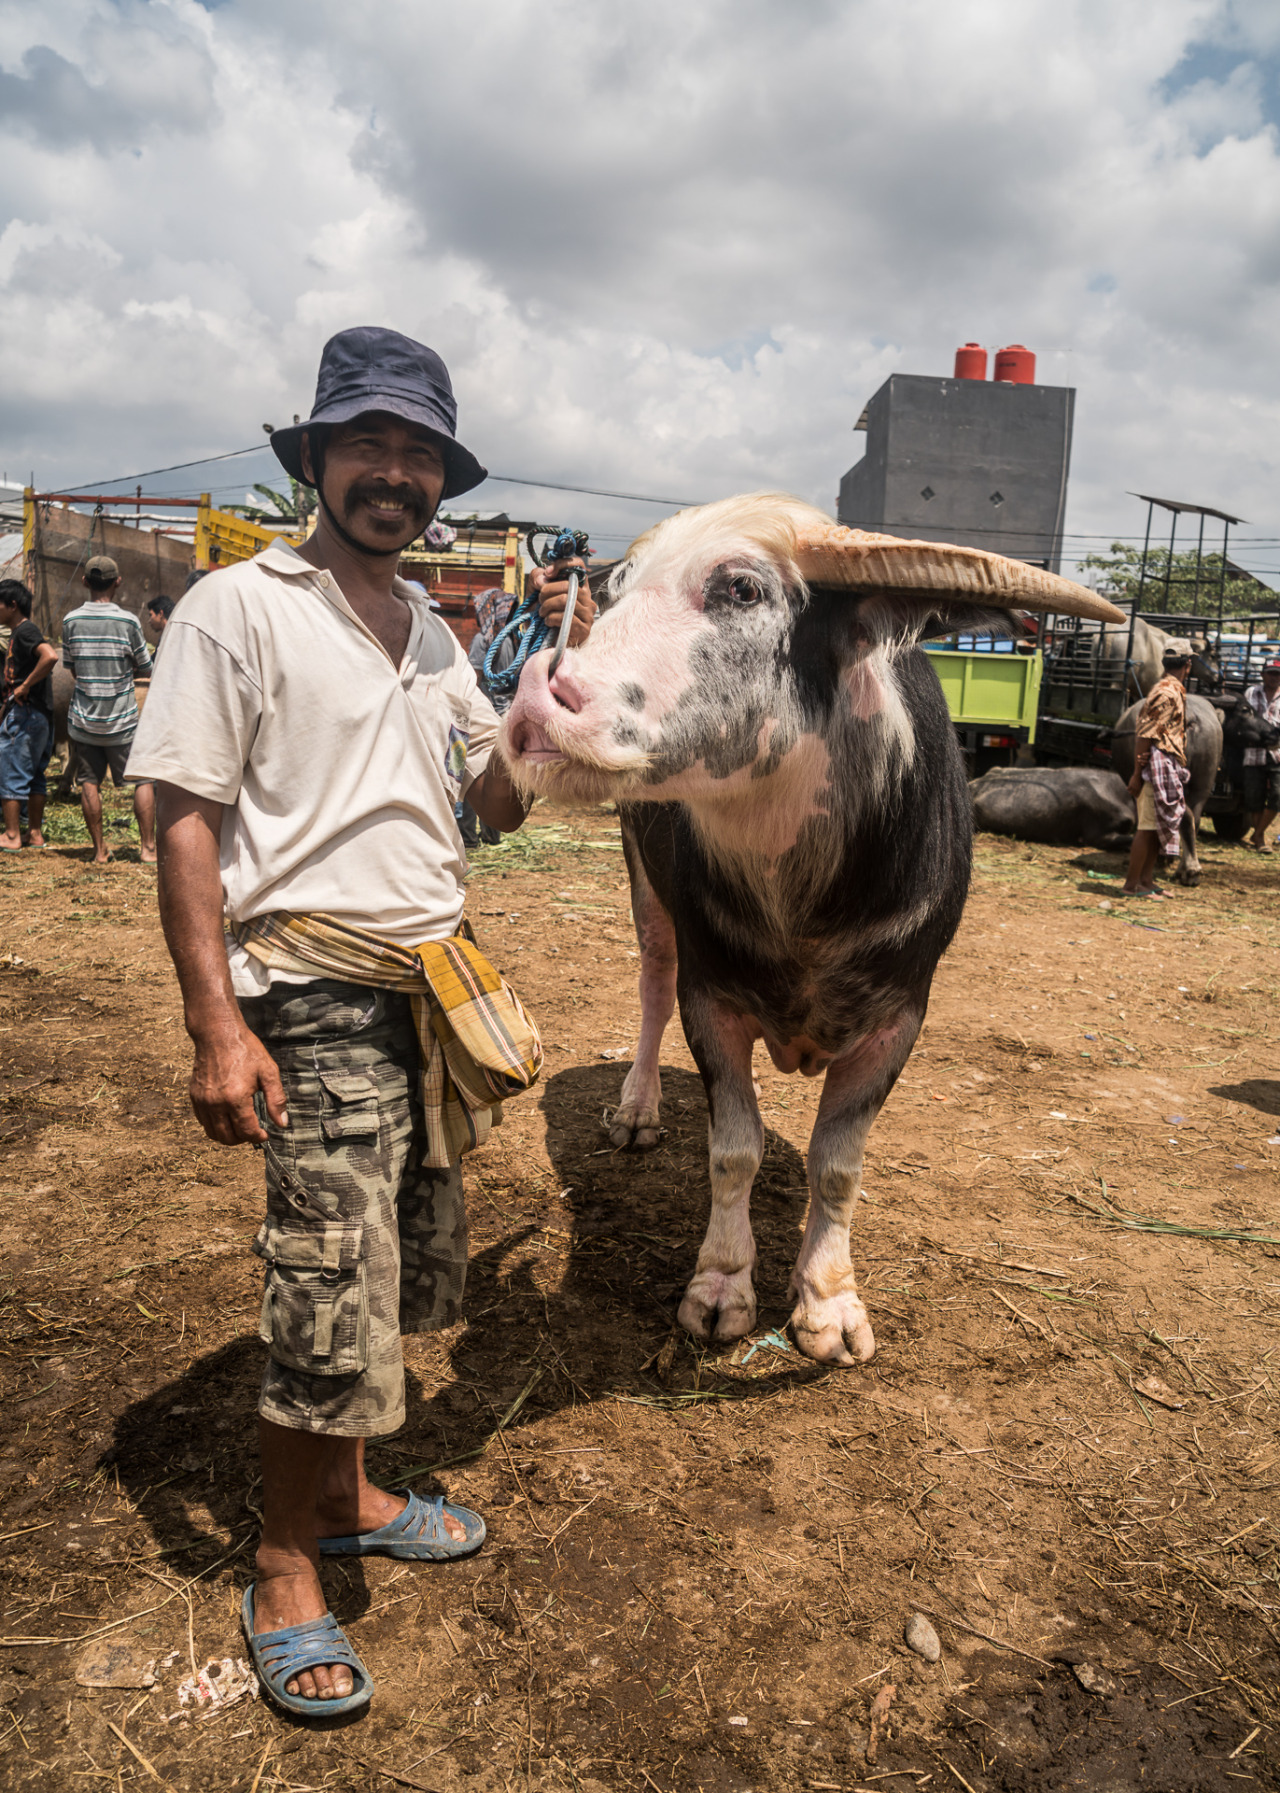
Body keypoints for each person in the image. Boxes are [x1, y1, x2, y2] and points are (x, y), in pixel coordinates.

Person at [127, 326, 595, 1718]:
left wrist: (533, 742)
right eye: (369, 448)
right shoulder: (240, 606)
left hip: (430, 991)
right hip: (313, 992)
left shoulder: (439, 632)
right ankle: (284, 1565)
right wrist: (219, 1024)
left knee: (395, 1267)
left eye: (419, 456)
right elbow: (184, 822)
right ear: (317, 462)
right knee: (327, 1285)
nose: (395, 475)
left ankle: (347, 1493)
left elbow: (484, 812)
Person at [61, 557, 157, 865]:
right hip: (122, 721)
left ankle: (100, 851)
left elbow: (72, 668)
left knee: (89, 781)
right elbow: (146, 666)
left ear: (85, 582)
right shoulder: (128, 621)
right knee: (142, 781)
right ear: (118, 582)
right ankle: (147, 849)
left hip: (84, 719)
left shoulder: (70, 621)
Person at [1122, 645, 1192, 897]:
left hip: (1165, 764)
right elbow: (1145, 735)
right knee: (1147, 827)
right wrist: (1136, 774)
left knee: (1155, 827)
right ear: (1188, 665)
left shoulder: (1173, 689)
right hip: (1157, 766)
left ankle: (1146, 881)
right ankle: (1131, 885)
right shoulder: (1165, 692)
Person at [457, 586, 519, 849]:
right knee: (496, 777)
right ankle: (492, 837)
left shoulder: (485, 641)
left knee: (469, 774)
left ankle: (469, 838)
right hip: (504, 714)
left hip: (484, 712)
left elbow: (471, 678)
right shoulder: (513, 639)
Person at [0, 580, 58, 852]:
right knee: (35, 776)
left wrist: (24, 686)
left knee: (11, 774)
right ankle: (34, 834)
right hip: (39, 716)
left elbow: (50, 656)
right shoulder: (19, 633)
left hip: (25, 716)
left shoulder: (24, 631)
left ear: (12, 606)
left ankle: (11, 835)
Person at [1242, 657, 1280, 853]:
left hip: (1277, 753)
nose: (1274, 677)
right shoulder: (1251, 692)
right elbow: (1244, 719)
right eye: (1270, 673)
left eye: (1277, 674)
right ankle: (1260, 839)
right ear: (1262, 674)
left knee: (1277, 795)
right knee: (1254, 797)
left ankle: (1258, 832)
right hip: (1253, 751)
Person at [146, 594, 175, 662]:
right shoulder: (165, 635)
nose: (149, 621)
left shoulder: (171, 635)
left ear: (161, 614)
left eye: (151, 615)